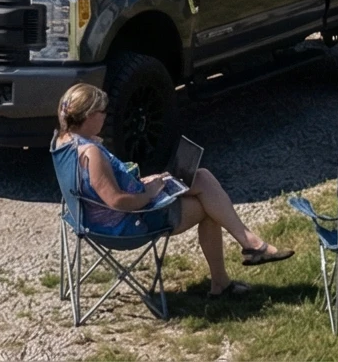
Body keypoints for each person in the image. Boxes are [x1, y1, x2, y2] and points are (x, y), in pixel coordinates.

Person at [51, 83, 292, 296]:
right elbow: (116, 200)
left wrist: (147, 182)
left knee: (201, 178)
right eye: (103, 112)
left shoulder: (63, 142)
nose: (105, 117)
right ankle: (239, 260)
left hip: (91, 220)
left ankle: (246, 251)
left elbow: (102, 191)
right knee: (210, 205)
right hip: (126, 225)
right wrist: (150, 192)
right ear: (90, 115)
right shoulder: (90, 153)